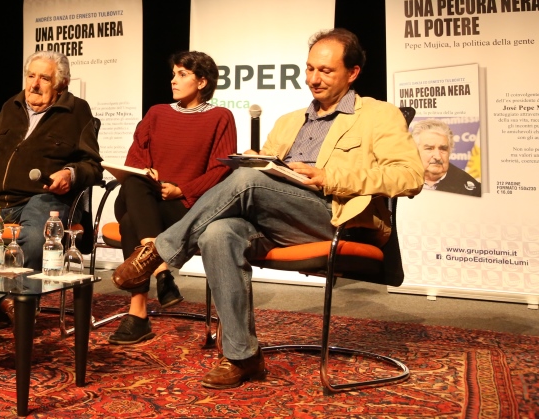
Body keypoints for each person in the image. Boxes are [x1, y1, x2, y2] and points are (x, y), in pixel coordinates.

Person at [112, 28, 423, 389]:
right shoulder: (290, 120)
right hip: (279, 217)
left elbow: (410, 176)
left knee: (248, 182)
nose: (314, 79)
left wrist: (329, 177)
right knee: (218, 232)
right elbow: (266, 175)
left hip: (335, 216)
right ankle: (242, 357)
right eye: (310, 69)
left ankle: (159, 250)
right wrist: (254, 161)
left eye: (325, 71)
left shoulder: (379, 115)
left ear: (352, 73)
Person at [108, 51, 237, 345]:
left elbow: (222, 169)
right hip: (144, 197)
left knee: (129, 223)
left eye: (182, 74)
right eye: (173, 74)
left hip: (184, 207)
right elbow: (135, 156)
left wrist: (183, 190)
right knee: (135, 181)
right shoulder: (157, 113)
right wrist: (146, 170)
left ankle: (138, 314)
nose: (173, 80)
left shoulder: (220, 117)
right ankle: (161, 270)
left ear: (202, 81)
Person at [0, 50, 103, 329]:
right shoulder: (12, 105)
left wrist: (70, 174)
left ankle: (14, 302)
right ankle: (5, 301)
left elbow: (92, 165)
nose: (35, 84)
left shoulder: (77, 111)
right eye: (31, 76)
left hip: (43, 197)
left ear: (61, 84)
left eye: (44, 78)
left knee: (33, 238)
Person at [412, 119, 482, 196]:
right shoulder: (403, 178)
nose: (438, 157)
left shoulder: (472, 191)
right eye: (429, 149)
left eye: (443, 149)